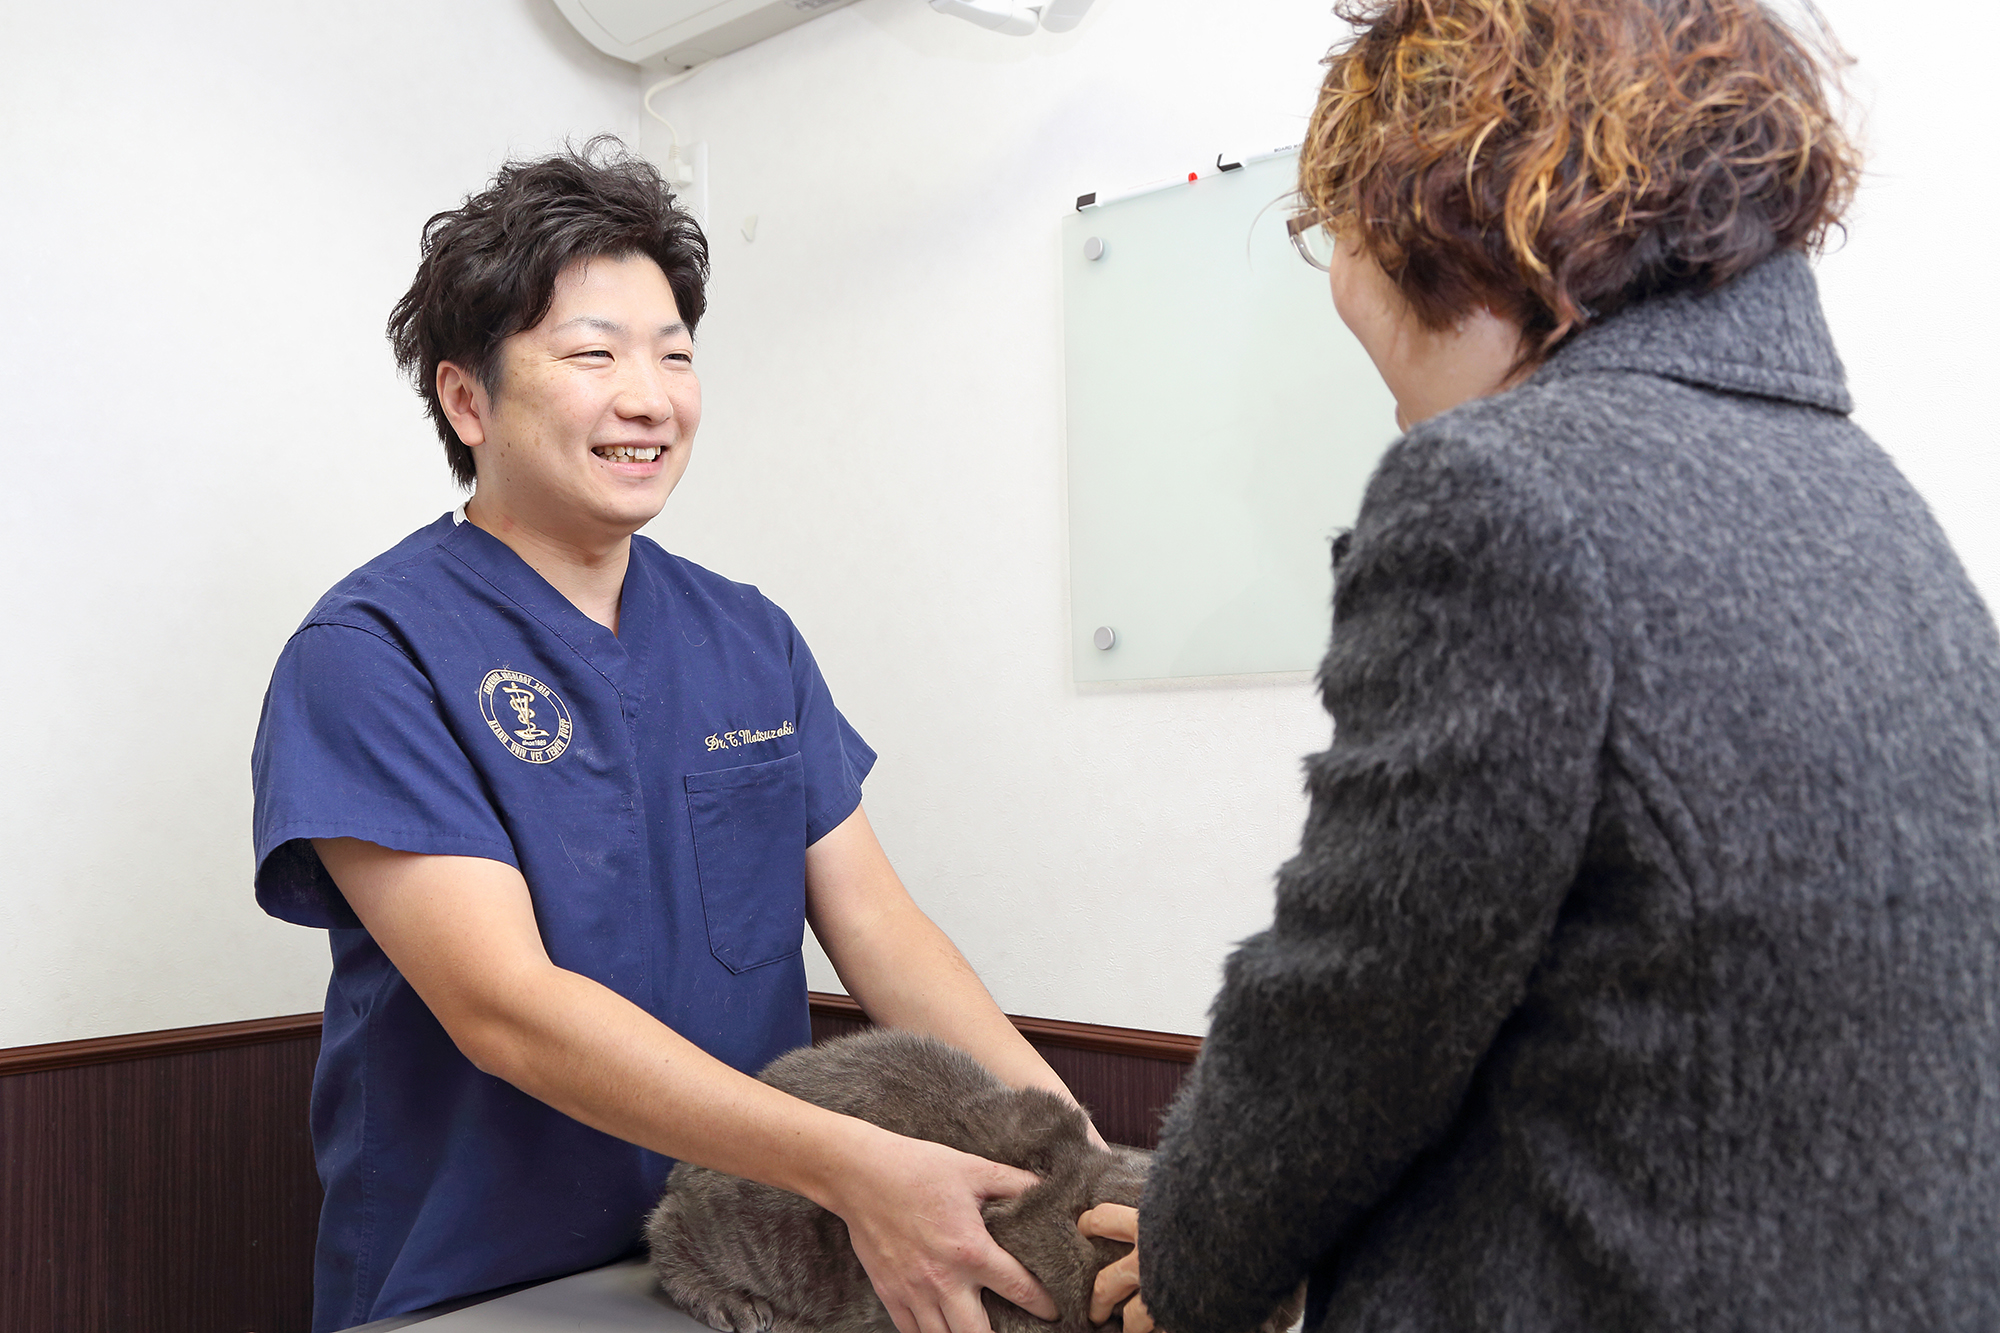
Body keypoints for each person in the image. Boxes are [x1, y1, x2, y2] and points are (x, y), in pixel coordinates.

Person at [1084, 1, 2000, 1329]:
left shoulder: (1502, 490)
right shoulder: (1871, 501)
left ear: (1440, 215)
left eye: (1342, 233)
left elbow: (1356, 1007)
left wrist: (1193, 1264)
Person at [252, 140, 1092, 1333]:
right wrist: (852, 1165)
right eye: (593, 354)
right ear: (466, 399)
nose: (649, 396)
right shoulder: (371, 649)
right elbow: (504, 1007)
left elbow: (880, 928)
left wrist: (1079, 1157)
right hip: (479, 1285)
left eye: (675, 354)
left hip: (747, 1268)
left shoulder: (748, 636)